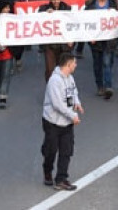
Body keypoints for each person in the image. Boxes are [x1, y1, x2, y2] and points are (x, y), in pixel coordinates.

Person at [41, 52, 83, 191]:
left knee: (66, 151)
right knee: (51, 151)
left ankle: (61, 179)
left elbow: (73, 92)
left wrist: (77, 103)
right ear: (68, 64)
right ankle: (47, 171)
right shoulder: (55, 81)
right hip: (52, 122)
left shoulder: (69, 78)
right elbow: (57, 104)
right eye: (74, 63)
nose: (76, 65)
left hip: (67, 123)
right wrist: (72, 115)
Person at [86, 0, 118, 99]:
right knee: (97, 64)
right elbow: (86, 23)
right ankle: (100, 86)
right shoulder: (91, 6)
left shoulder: (112, 4)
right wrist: (90, 36)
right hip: (96, 40)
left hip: (109, 39)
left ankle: (108, 87)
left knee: (107, 62)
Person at [39, 0, 73, 81]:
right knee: (50, 70)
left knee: (63, 69)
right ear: (50, 0)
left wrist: (71, 40)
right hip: (50, 44)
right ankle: (51, 90)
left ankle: (62, 90)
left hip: (63, 44)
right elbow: (38, 19)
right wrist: (45, 14)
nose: (56, 2)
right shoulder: (43, 8)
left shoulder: (67, 8)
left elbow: (72, 25)